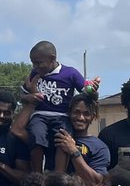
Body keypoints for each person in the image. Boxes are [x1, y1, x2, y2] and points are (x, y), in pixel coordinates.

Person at [19, 40, 91, 175]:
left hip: (62, 115)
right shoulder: (35, 73)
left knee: (63, 139)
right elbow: (22, 95)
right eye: (33, 63)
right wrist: (29, 97)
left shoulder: (70, 73)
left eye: (39, 62)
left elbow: (86, 91)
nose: (35, 66)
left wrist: (93, 89)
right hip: (39, 114)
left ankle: (59, 175)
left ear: (52, 59)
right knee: (36, 136)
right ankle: (37, 174)